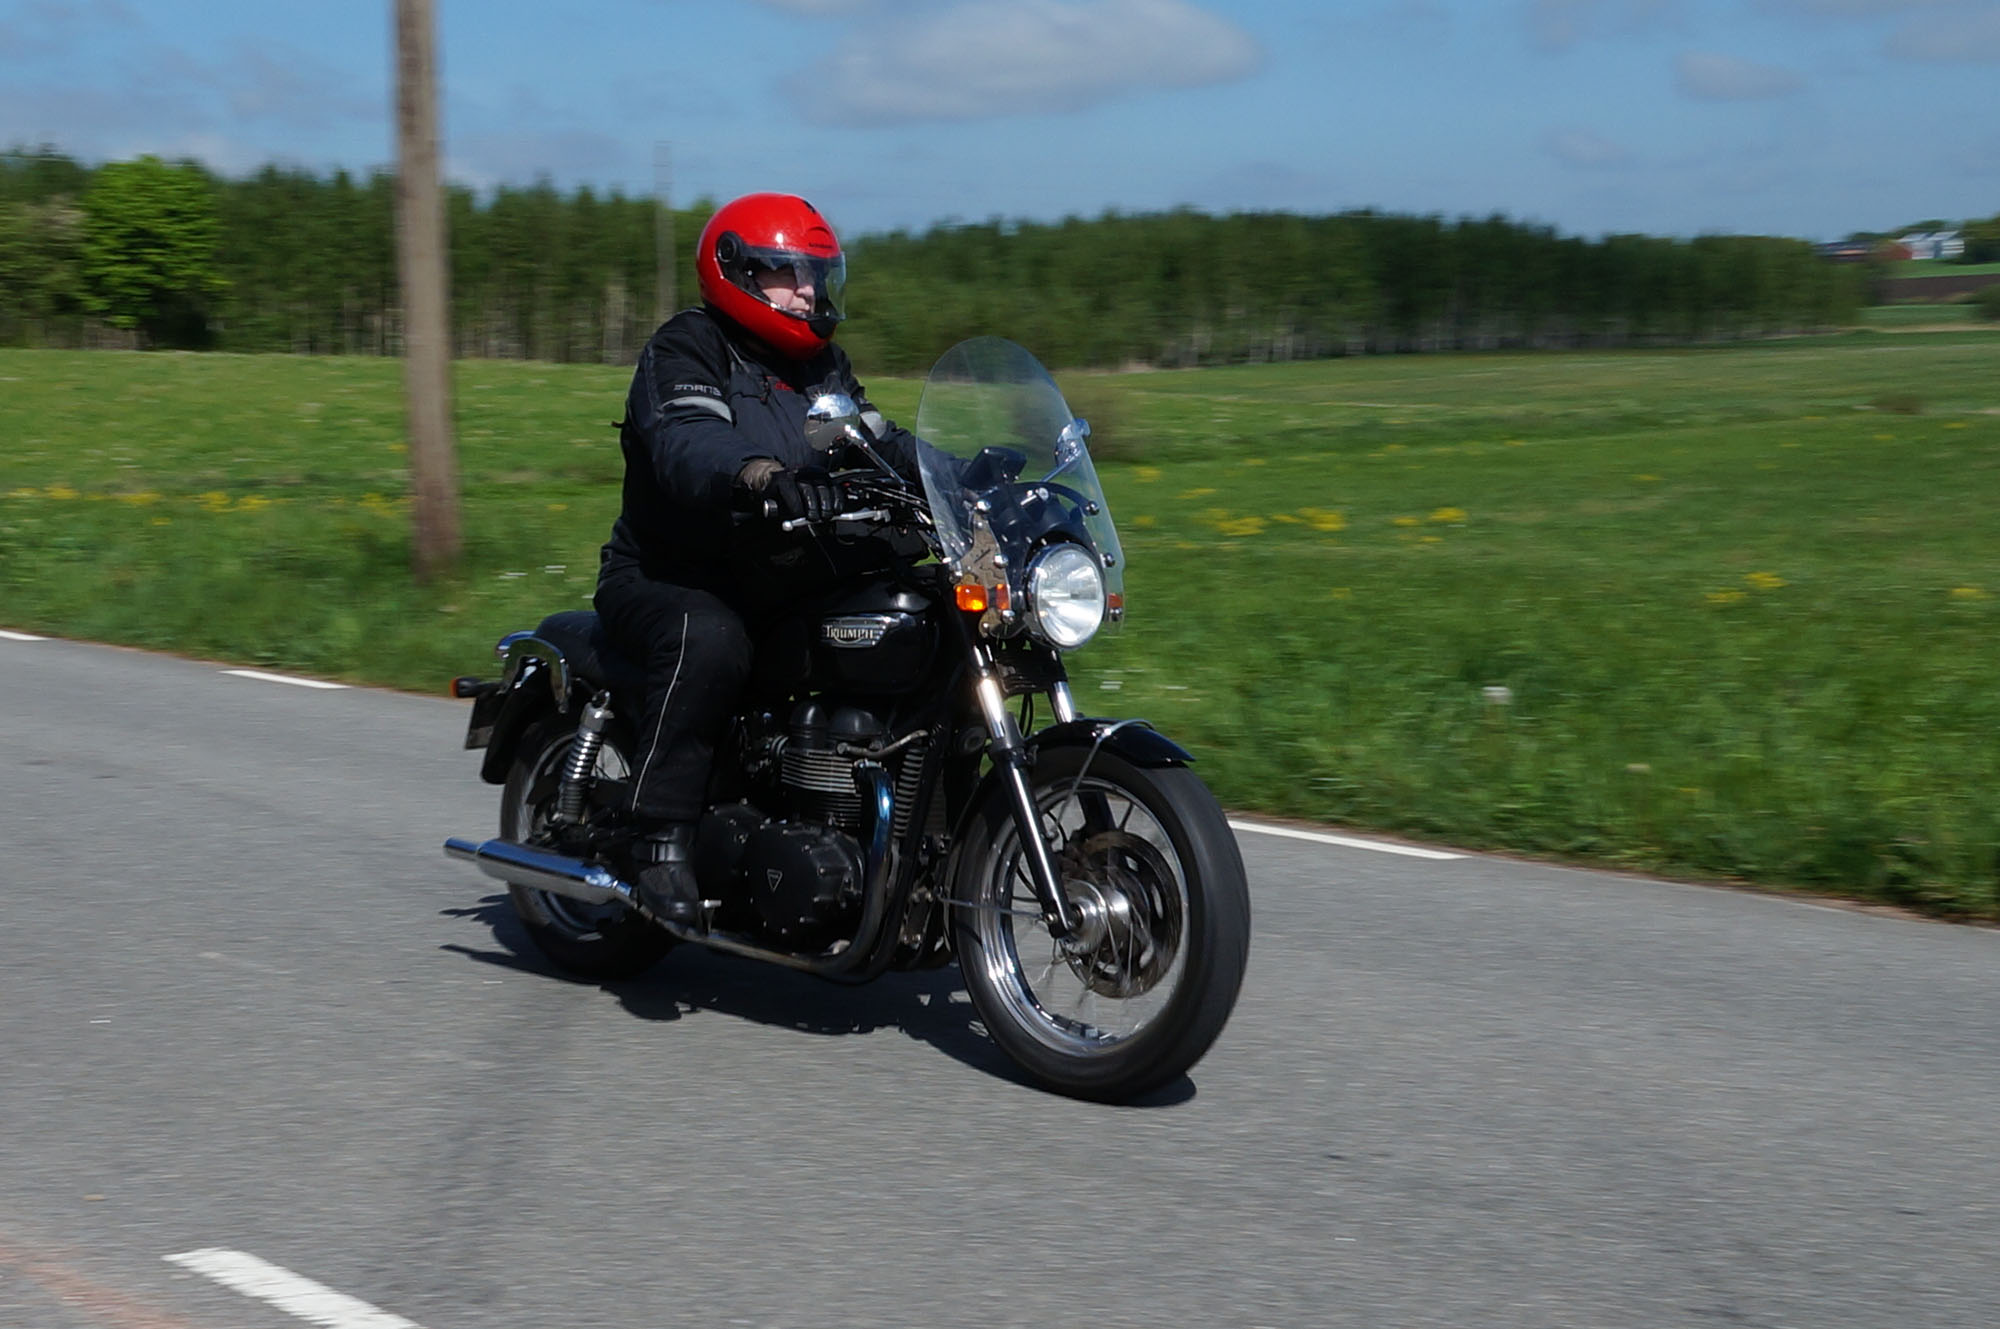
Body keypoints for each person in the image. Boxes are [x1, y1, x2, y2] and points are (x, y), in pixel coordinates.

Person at [594, 191, 922, 923]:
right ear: (738, 271)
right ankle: (657, 837)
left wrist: (953, 470)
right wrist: (759, 474)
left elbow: (873, 439)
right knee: (710, 638)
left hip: (777, 571)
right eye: (789, 274)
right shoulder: (688, 347)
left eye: (817, 276)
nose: (808, 292)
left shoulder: (822, 368)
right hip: (672, 573)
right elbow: (686, 438)